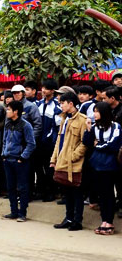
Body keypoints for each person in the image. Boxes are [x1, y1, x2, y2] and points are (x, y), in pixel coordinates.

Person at [82, 101, 121, 235]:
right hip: (96, 164)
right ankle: (104, 220)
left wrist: (98, 145)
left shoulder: (115, 126)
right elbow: (87, 142)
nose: (94, 114)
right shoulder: (94, 127)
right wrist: (88, 129)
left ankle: (109, 222)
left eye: (97, 111)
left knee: (108, 193)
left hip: (109, 166)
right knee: (101, 194)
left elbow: (113, 145)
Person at [51, 91, 87, 231]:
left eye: (62, 103)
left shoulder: (82, 120)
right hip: (62, 160)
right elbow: (59, 140)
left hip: (75, 162)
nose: (60, 105)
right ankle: (69, 218)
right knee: (67, 191)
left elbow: (84, 143)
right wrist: (54, 159)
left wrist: (73, 156)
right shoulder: (64, 119)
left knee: (76, 192)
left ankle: (77, 221)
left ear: (70, 104)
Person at [1, 100, 36, 222]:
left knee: (22, 187)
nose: (7, 111)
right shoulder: (7, 124)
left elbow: (31, 144)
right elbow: (4, 140)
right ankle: (13, 211)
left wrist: (22, 157)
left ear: (16, 111)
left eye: (9, 109)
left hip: (20, 161)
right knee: (10, 187)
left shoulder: (26, 125)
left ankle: (22, 213)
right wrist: (3, 154)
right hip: (8, 159)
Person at [34, 80, 62, 202]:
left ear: (53, 91)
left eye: (46, 88)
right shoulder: (39, 104)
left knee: (49, 167)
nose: (43, 90)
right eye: (43, 87)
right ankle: (41, 190)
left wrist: (49, 138)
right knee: (38, 168)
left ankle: (51, 192)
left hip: (50, 143)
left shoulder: (57, 105)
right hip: (38, 141)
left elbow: (57, 126)